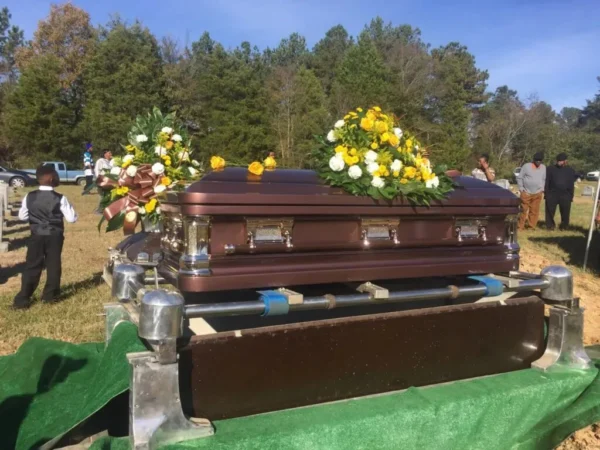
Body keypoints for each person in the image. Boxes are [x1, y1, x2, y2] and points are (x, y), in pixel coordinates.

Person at [12, 165, 78, 309]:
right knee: (53, 264)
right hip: (55, 236)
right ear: (51, 178)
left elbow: (22, 216)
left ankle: (23, 298)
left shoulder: (29, 196)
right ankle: (50, 296)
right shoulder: (60, 198)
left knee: (32, 265)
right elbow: (71, 218)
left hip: (36, 235)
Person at [545, 153, 578, 230]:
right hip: (552, 194)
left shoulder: (570, 170)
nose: (560, 162)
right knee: (550, 211)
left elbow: (571, 184)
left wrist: (571, 195)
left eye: (562, 161)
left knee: (565, 212)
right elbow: (547, 182)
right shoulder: (550, 169)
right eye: (559, 161)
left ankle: (564, 226)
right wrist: (547, 194)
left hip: (565, 194)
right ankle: (550, 226)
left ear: (565, 161)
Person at [516, 152, 546, 230]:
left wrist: (542, 190)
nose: (538, 162)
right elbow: (520, 178)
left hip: (537, 193)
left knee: (534, 211)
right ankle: (520, 226)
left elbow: (543, 179)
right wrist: (521, 189)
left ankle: (531, 226)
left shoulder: (543, 167)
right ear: (533, 160)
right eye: (537, 160)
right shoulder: (526, 166)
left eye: (540, 160)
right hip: (526, 192)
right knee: (523, 211)